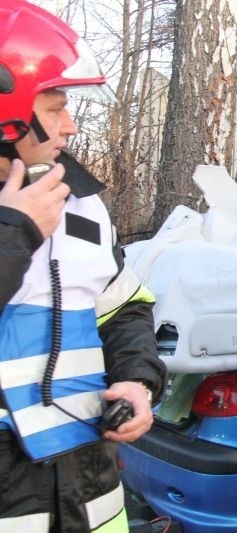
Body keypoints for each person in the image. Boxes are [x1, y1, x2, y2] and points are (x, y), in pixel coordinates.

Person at [0, 2, 167, 531]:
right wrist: (15, 231)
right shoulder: (21, 219)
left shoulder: (83, 204)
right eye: (54, 108)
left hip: (88, 478)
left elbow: (124, 308)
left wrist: (138, 381)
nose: (70, 126)